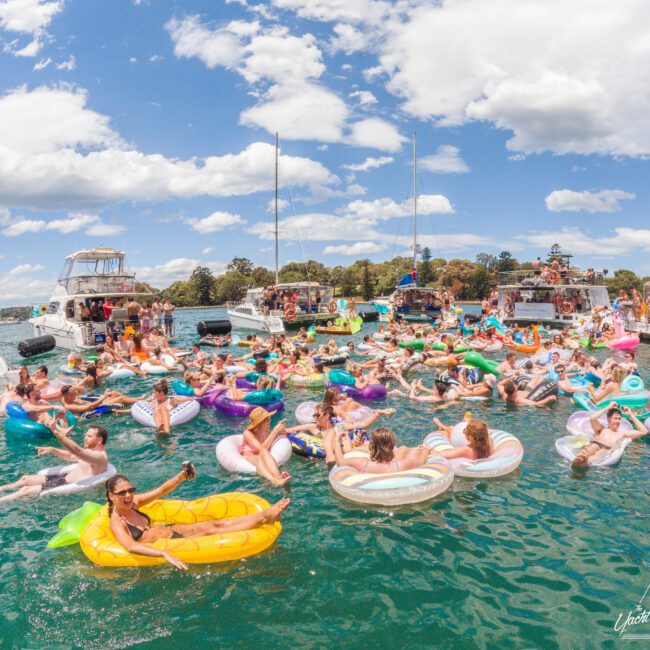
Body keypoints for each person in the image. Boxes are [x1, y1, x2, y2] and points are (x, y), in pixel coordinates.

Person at [105, 467, 290, 570]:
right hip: (168, 544)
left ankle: (264, 517)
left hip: (172, 530)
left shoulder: (134, 503)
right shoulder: (117, 522)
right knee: (212, 530)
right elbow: (130, 546)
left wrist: (181, 476)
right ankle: (264, 518)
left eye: (131, 490)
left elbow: (161, 491)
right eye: (122, 493)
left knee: (214, 524)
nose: (128, 495)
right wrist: (163, 553)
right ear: (112, 496)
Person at [0, 425, 109, 502]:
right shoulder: (91, 452)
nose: (85, 438)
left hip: (67, 484)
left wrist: (56, 432)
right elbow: (71, 456)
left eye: (89, 436)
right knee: (25, 479)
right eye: (86, 435)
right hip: (65, 477)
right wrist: (53, 449)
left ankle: (2, 501)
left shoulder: (99, 457)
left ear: (99, 440)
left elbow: (77, 451)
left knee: (25, 490)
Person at [572, 404, 647, 467]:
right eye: (615, 418)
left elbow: (644, 431)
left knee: (600, 453)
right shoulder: (601, 429)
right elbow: (592, 418)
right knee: (592, 447)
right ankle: (581, 458)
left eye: (619, 419)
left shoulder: (622, 434)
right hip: (596, 444)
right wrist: (608, 407)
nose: (618, 421)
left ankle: (584, 463)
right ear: (608, 419)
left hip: (605, 449)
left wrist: (630, 415)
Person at [332, 427, 430, 474]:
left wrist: (337, 441)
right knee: (404, 449)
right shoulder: (404, 464)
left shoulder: (363, 464)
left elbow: (340, 461)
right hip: (396, 469)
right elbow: (422, 458)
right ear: (392, 446)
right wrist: (425, 450)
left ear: (371, 447)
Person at [239, 407, 291, 486]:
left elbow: (279, 441)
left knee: (263, 454)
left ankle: (278, 477)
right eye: (267, 420)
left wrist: (282, 431)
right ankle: (274, 480)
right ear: (260, 423)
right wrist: (275, 431)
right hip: (250, 457)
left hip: (263, 457)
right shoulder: (248, 434)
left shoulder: (266, 432)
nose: (270, 421)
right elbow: (261, 449)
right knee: (261, 455)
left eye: (270, 419)